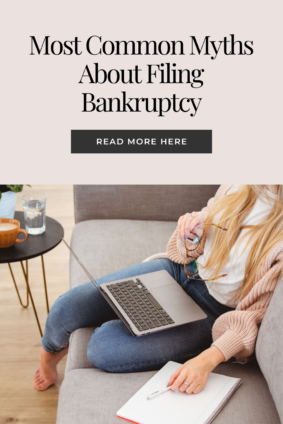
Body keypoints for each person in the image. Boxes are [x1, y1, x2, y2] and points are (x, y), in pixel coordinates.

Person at [34, 185, 283, 393]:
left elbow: (255, 315)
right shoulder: (240, 182)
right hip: (180, 271)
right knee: (65, 308)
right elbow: (198, 238)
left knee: (102, 348)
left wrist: (207, 360)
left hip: (212, 314)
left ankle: (131, 315)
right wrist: (191, 234)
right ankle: (50, 356)